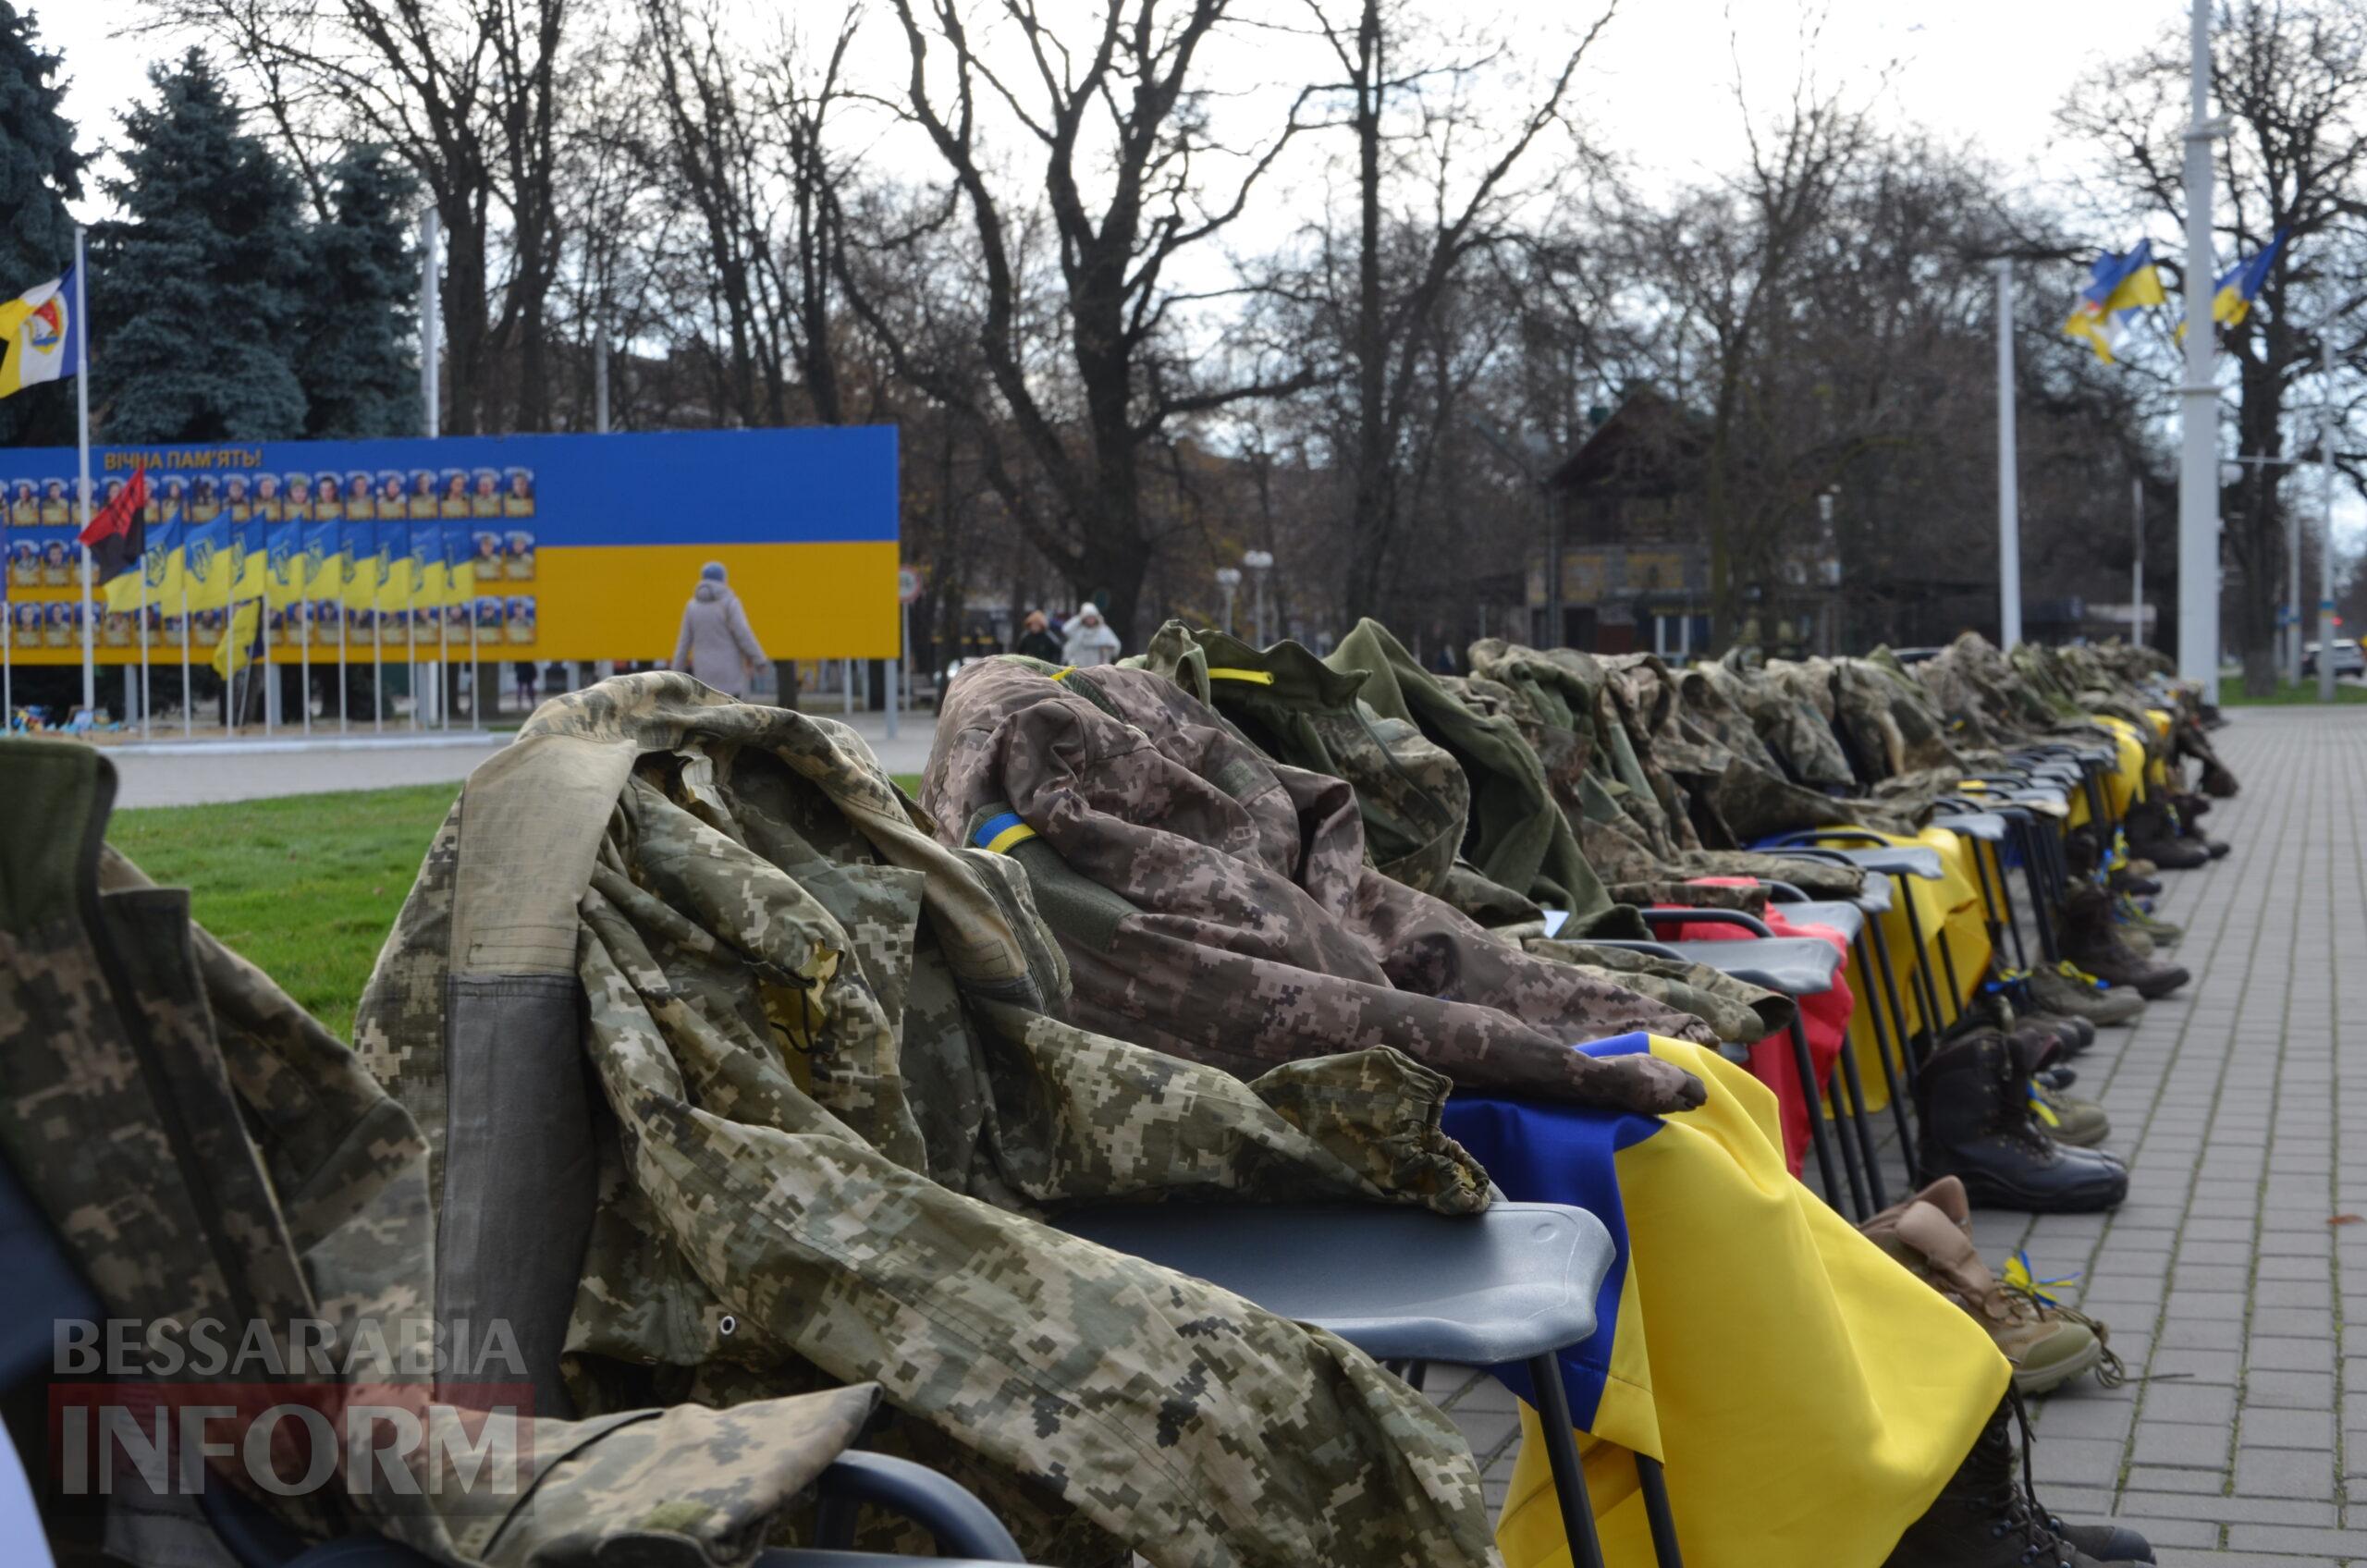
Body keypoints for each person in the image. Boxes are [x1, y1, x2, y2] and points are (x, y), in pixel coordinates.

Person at [670, 561, 768, 696]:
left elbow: (684, 643)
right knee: (732, 713)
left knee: (708, 712)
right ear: (723, 579)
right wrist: (759, 660)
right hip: (730, 672)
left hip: (703, 673)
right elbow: (743, 633)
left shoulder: (691, 606)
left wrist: (675, 673)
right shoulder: (729, 603)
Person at [1060, 602, 1122, 667]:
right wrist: (1079, 618)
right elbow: (1065, 629)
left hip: (1097, 668)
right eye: (1088, 617)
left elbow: (1116, 646)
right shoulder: (1078, 630)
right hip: (1079, 668)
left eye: (1092, 617)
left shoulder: (1103, 630)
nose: (1090, 619)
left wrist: (1108, 648)